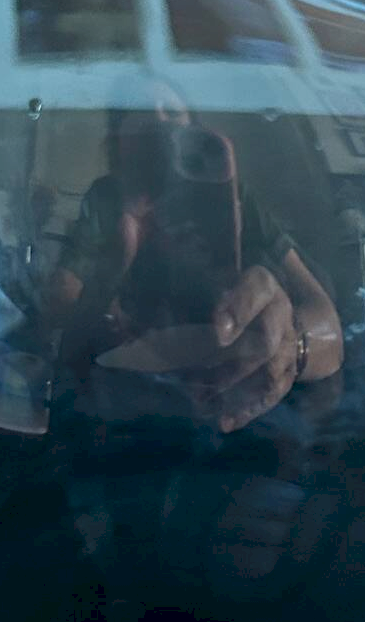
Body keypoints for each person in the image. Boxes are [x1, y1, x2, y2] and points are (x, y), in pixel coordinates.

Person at [46, 87, 341, 433]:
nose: (160, 122)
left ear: (192, 126)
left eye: (171, 112)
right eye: (144, 115)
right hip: (125, 405)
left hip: (239, 405)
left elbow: (329, 327)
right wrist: (111, 289)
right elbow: (59, 299)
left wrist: (292, 346)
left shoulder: (236, 198)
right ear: (119, 140)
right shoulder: (108, 198)